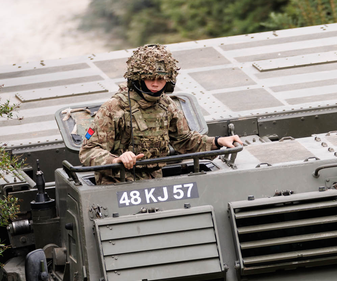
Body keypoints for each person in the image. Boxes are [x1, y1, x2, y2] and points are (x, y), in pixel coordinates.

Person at [79, 44, 243, 184]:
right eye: (149, 78)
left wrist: (218, 141)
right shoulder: (113, 108)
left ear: (169, 80)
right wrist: (116, 160)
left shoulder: (167, 105)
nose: (155, 84)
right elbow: (88, 151)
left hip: (155, 182)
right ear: (138, 77)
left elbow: (184, 141)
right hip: (116, 184)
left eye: (161, 78)